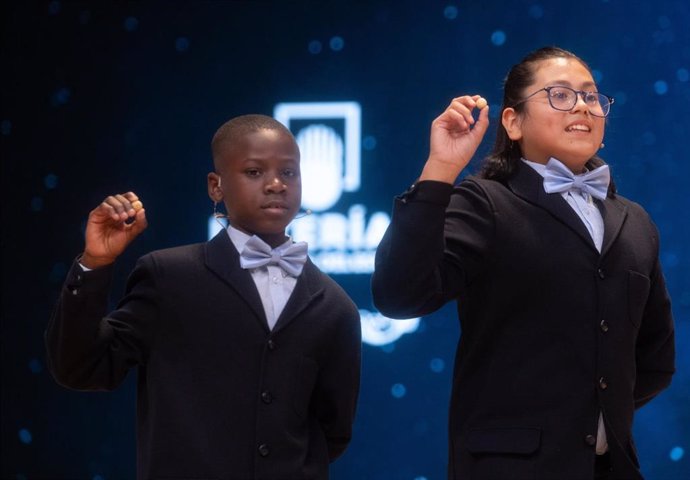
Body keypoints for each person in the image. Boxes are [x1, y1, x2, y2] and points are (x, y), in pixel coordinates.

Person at [371, 46, 675, 480]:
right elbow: (400, 294)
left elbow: (654, 361)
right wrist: (441, 168)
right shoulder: (487, 201)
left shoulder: (636, 221)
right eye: (560, 95)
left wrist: (590, 419)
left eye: (591, 97)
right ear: (513, 122)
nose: (582, 107)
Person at [46, 114, 362, 480]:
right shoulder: (169, 277)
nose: (276, 185)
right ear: (216, 186)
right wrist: (95, 263)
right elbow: (81, 367)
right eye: (255, 172)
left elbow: (332, 432)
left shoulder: (335, 305)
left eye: (288, 173)